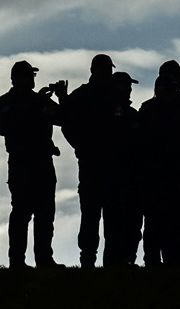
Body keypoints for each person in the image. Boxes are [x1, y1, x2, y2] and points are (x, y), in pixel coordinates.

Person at [0, 59, 66, 268]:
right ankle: (17, 260)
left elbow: (64, 118)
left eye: (32, 75)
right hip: (22, 163)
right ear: (15, 78)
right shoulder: (8, 101)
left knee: (45, 212)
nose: (31, 79)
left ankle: (44, 258)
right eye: (27, 75)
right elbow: (4, 127)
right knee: (22, 212)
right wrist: (37, 105)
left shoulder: (39, 100)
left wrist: (62, 98)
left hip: (42, 162)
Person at [61, 53, 116, 267]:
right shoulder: (82, 96)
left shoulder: (114, 95)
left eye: (108, 69)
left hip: (112, 165)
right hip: (91, 164)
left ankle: (111, 261)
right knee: (91, 215)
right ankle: (88, 260)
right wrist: (82, 147)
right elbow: (67, 124)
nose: (107, 73)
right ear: (94, 70)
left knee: (111, 216)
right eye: (104, 69)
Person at [139, 61, 180, 266]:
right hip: (155, 175)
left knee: (176, 220)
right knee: (155, 221)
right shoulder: (150, 111)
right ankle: (154, 260)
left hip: (176, 174)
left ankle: (175, 258)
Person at [101, 69, 144, 266]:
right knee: (117, 222)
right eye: (126, 86)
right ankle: (116, 261)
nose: (129, 90)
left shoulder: (131, 113)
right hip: (116, 174)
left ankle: (126, 260)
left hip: (130, 175)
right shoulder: (110, 111)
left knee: (131, 222)